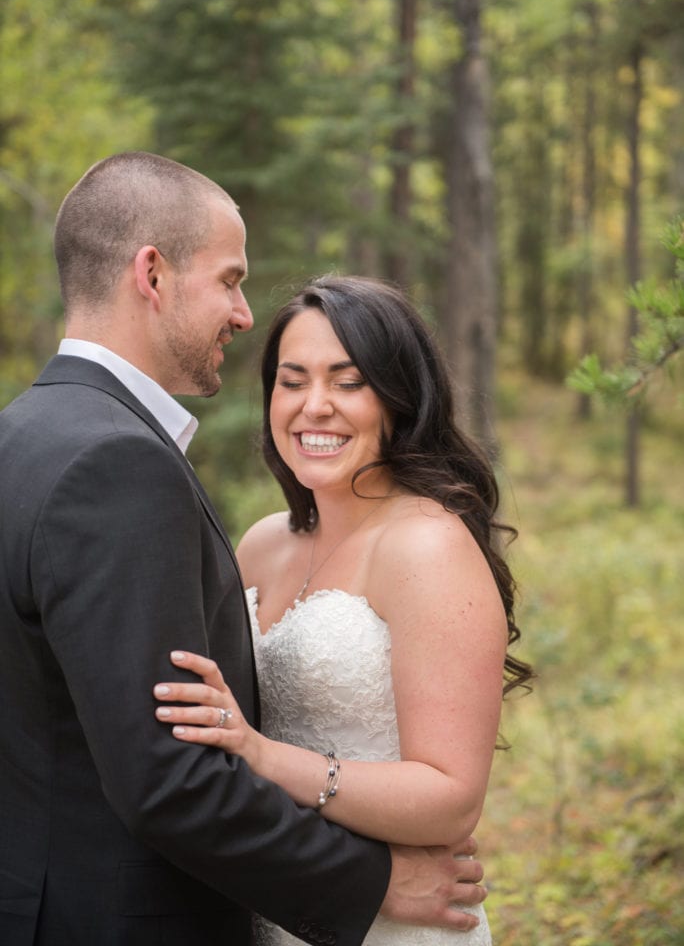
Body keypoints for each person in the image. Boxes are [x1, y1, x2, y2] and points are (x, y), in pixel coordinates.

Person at [0, 154, 486, 946]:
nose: (241, 312)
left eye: (348, 379)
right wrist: (372, 883)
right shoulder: (119, 464)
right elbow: (168, 781)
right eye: (230, 280)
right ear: (151, 274)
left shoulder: (18, 437)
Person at [152, 275, 535, 945]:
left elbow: (451, 800)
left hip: (399, 920)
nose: (314, 407)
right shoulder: (264, 542)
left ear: (398, 398)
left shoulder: (427, 543)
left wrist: (263, 757)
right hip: (280, 903)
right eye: (292, 381)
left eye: (348, 382)